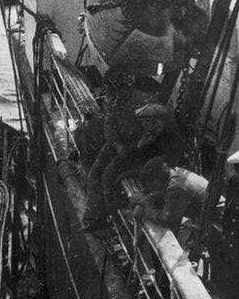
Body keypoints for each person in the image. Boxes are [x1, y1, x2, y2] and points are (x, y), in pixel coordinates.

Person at [82, 69, 142, 231]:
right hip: (115, 146)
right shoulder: (113, 100)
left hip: (132, 151)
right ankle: (94, 217)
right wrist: (115, 143)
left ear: (125, 88)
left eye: (113, 89)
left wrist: (126, 148)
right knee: (94, 174)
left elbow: (145, 136)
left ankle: (113, 219)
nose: (109, 92)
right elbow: (109, 123)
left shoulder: (139, 105)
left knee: (107, 178)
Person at [132, 157, 208, 232]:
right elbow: (160, 193)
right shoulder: (174, 172)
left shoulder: (176, 187)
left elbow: (167, 220)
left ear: (157, 178)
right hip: (206, 209)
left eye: (153, 184)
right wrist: (142, 202)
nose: (152, 188)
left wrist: (147, 211)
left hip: (213, 218)